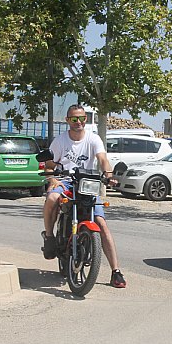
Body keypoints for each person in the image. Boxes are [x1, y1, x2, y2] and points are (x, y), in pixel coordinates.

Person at [42, 104, 126, 288]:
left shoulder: (93, 139)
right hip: (64, 180)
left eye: (81, 118)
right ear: (67, 120)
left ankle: (116, 271)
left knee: (101, 223)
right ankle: (49, 236)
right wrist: (52, 179)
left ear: (85, 119)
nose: (78, 122)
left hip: (87, 183)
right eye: (74, 119)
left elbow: (103, 159)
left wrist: (109, 175)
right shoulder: (60, 141)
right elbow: (49, 165)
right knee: (52, 198)